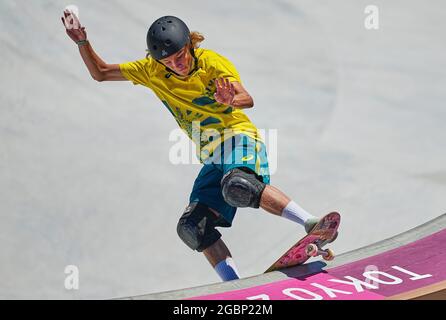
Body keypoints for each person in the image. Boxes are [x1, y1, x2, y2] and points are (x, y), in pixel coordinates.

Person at [62, 12, 328, 281]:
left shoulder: (212, 63)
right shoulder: (151, 71)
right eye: (167, 62)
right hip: (212, 157)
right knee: (192, 226)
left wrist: (230, 100)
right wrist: (82, 43)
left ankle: (311, 222)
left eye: (180, 57)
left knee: (239, 185)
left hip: (238, 137)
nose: (176, 65)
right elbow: (101, 73)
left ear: (189, 44)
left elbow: (247, 98)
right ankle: (233, 287)